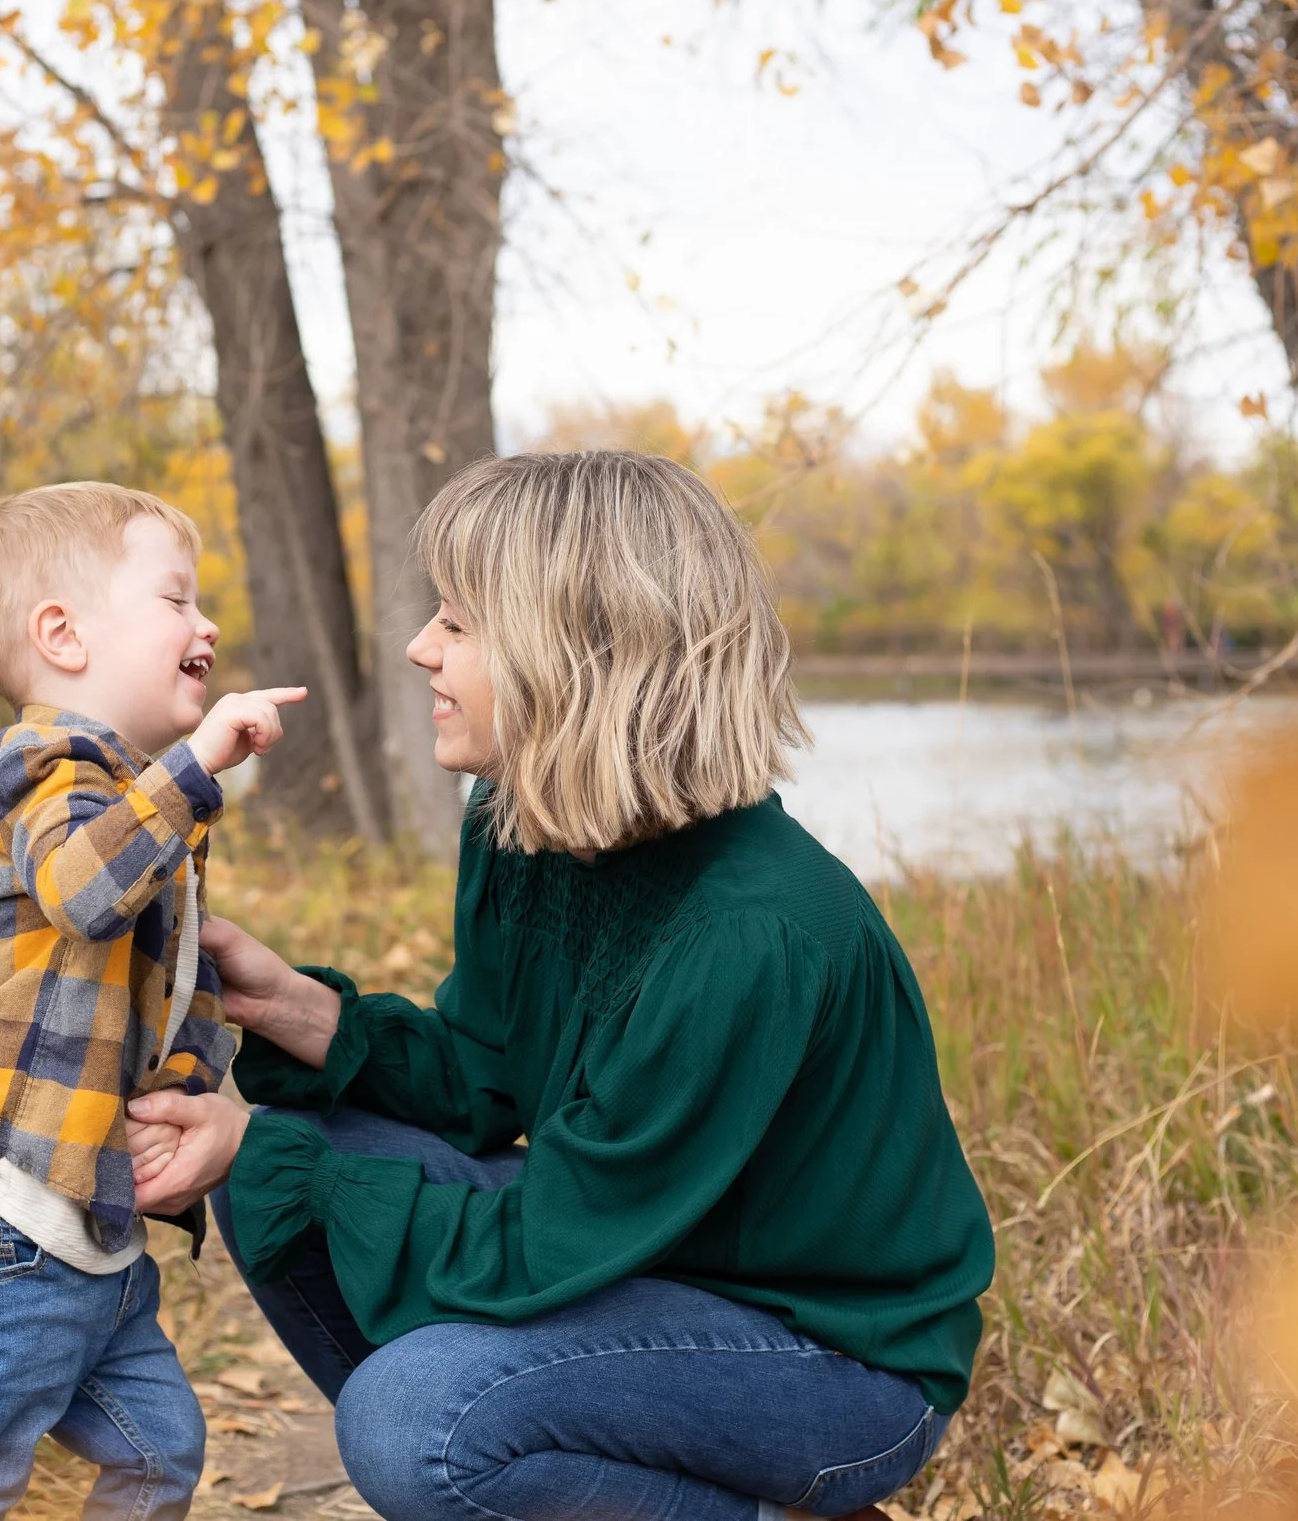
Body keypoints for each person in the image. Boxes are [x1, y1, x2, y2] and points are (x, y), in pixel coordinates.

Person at [128, 451, 996, 1521]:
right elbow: (488, 1074)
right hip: (649, 1259)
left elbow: (554, 1233)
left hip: (829, 1358)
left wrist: (258, 1147)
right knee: (316, 1144)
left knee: (415, 1417)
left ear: (580, 651)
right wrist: (293, 1008)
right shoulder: (522, 819)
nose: (418, 648)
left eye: (457, 622)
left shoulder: (751, 932)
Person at [0, 481, 306, 1521]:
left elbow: (151, 1005)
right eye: (174, 599)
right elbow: (83, 890)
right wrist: (197, 766)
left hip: (94, 1240)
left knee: (162, 1450)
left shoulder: (135, 797)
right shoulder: (49, 770)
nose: (206, 623)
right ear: (62, 635)